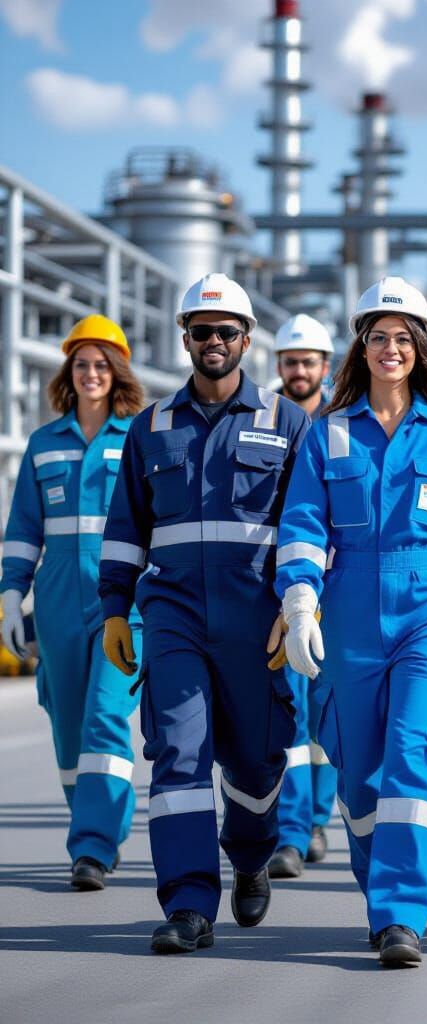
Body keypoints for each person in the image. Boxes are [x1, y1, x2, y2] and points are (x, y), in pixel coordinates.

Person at [275, 277, 427, 967]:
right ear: (362, 349)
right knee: (357, 769)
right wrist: (299, 601)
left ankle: (401, 913)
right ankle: (380, 884)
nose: (391, 348)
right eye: (379, 337)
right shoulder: (329, 434)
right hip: (347, 609)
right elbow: (305, 524)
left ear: (419, 348)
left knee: (414, 752)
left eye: (404, 338)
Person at [98, 273, 309, 954]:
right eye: (200, 331)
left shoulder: (287, 422)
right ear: (185, 337)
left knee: (255, 763)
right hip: (174, 615)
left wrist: (300, 605)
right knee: (178, 757)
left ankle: (250, 855)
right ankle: (189, 903)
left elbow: (308, 527)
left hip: (258, 620)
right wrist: (113, 609)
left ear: (247, 340)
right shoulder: (151, 426)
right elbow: (126, 526)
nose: (212, 342)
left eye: (225, 331)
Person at [2, 315, 145, 891]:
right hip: (58, 596)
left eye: (102, 364)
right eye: (82, 364)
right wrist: (12, 594)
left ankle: (92, 845)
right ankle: (99, 820)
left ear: (118, 374)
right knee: (67, 729)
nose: (91, 373)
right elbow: (22, 528)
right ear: (70, 372)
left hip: (122, 598)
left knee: (106, 717)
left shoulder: (138, 436)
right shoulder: (43, 445)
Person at [266, 313, 338, 878]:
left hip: (341, 587)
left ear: (325, 367)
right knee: (290, 710)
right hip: (286, 586)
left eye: (307, 361)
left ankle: (317, 819)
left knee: (329, 711)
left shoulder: (344, 422)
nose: (298, 370)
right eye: (290, 361)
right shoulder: (264, 421)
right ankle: (291, 831)